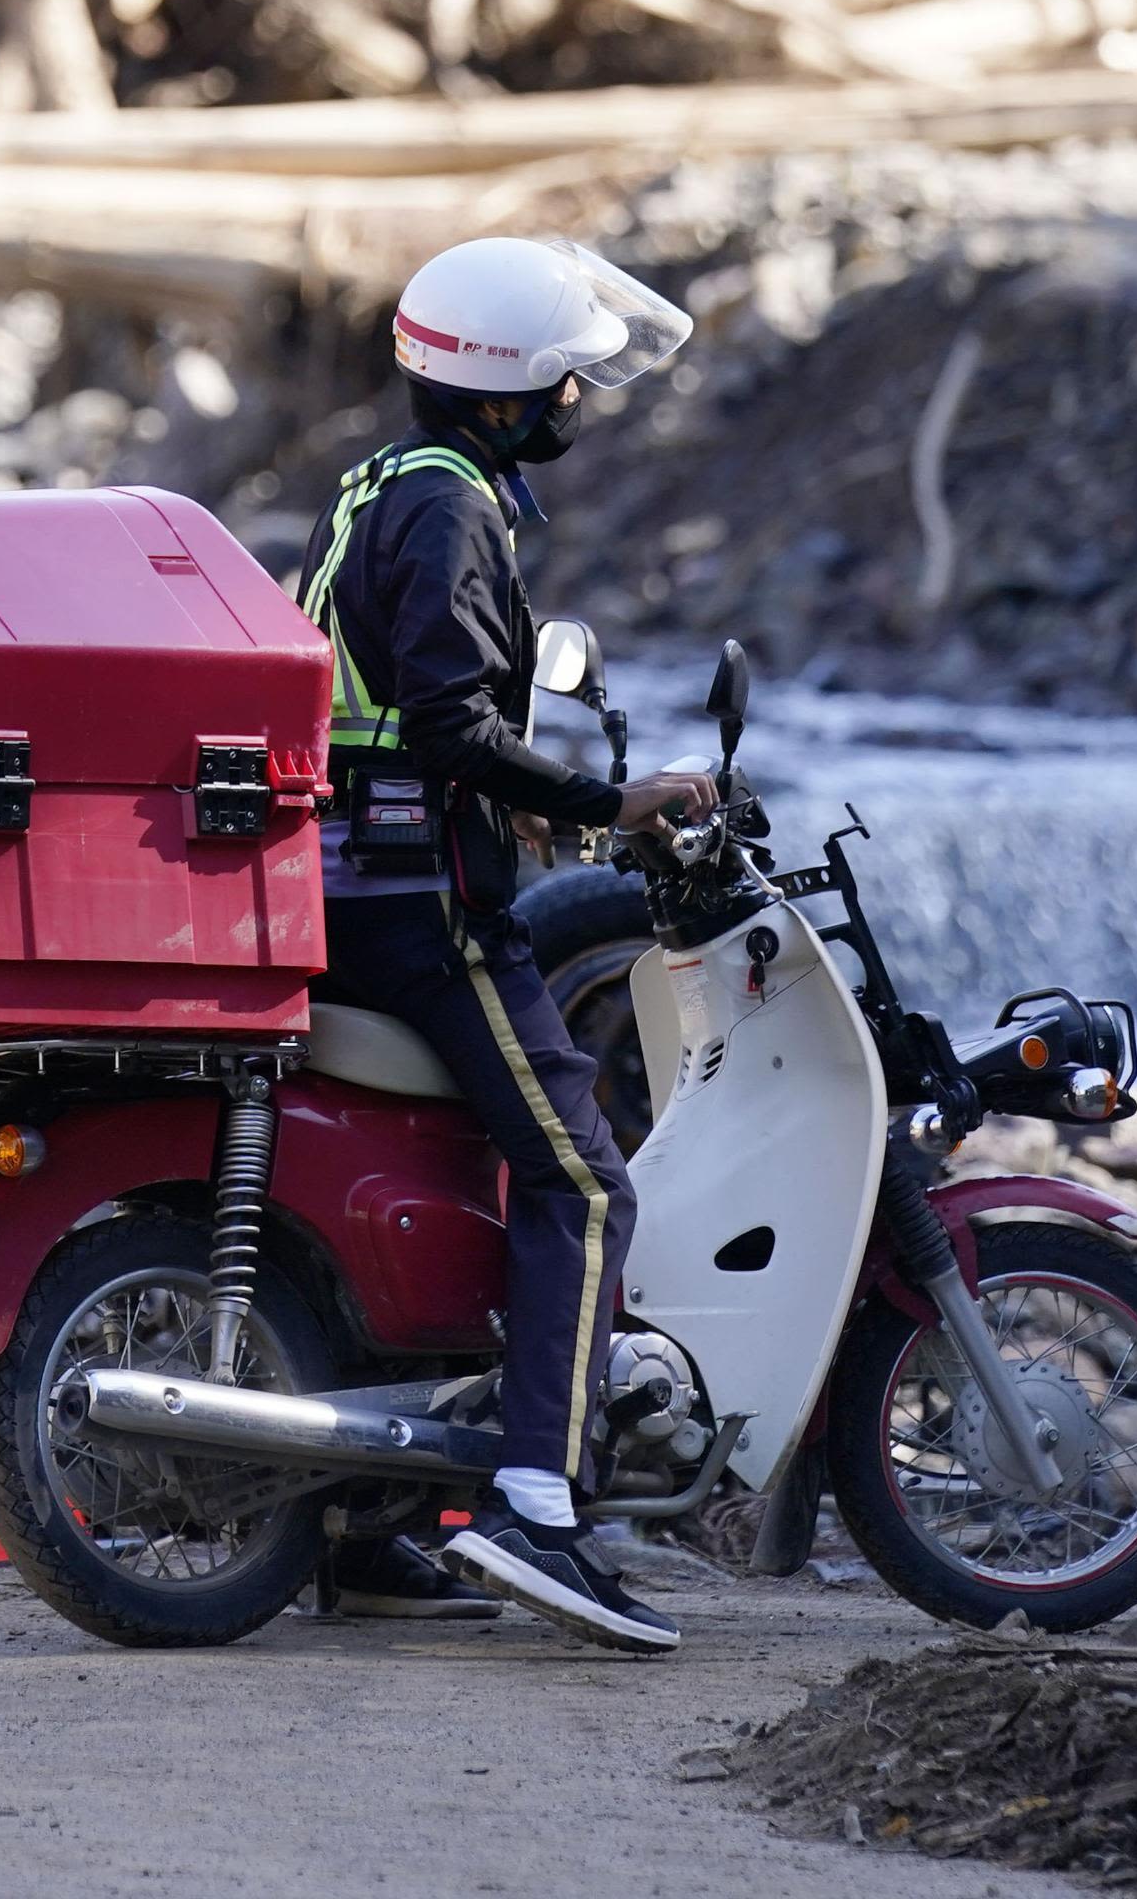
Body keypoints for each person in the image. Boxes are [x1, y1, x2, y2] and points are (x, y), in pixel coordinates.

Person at [296, 235, 717, 1656]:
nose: (584, 404)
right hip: (416, 906)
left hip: (340, 882)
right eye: (570, 381)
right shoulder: (457, 508)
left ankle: (368, 1523)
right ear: (507, 391)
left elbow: (388, 719)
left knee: (448, 1172)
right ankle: (540, 1504)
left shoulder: (377, 487)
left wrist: (517, 816)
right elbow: (447, 729)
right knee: (587, 1182)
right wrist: (609, 801)